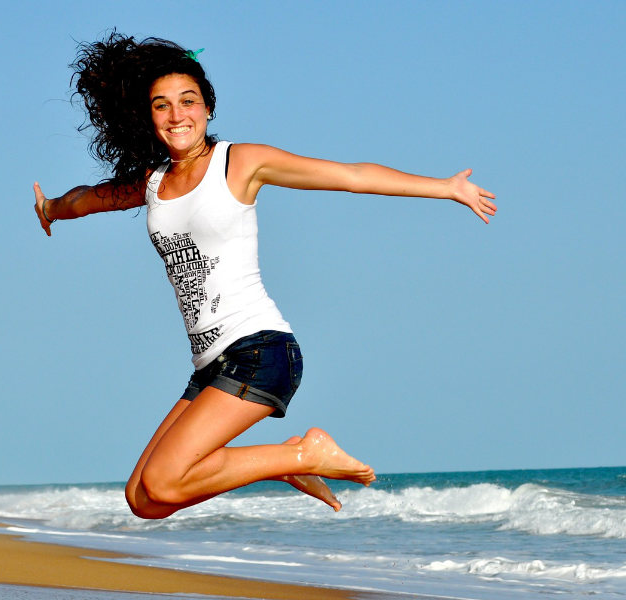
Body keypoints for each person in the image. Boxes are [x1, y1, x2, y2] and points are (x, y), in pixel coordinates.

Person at [33, 32, 497, 520]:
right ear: (148, 118)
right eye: (162, 106)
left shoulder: (239, 163)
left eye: (188, 101)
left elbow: (349, 175)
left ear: (207, 107)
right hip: (211, 365)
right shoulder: (153, 183)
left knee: (165, 480)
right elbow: (87, 198)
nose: (177, 116)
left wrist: (444, 188)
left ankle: (303, 454)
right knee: (144, 499)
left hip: (259, 351)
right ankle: (282, 462)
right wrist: (50, 208)